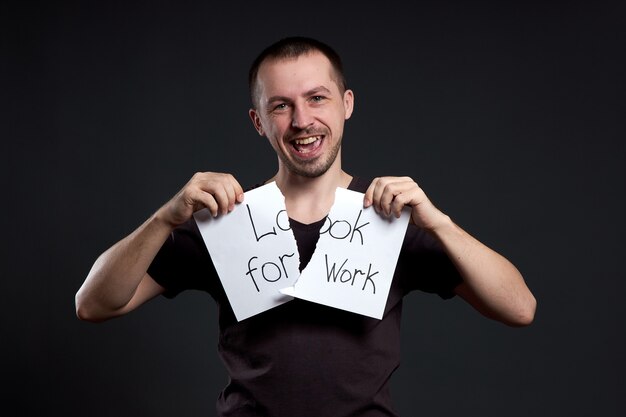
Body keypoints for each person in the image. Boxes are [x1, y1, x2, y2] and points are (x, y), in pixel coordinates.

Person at [75, 36, 536, 416]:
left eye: (317, 98)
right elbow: (92, 304)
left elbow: (519, 309)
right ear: (258, 121)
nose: (302, 121)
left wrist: (441, 224)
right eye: (281, 106)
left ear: (346, 104)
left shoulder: (391, 219)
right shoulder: (225, 220)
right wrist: (164, 218)